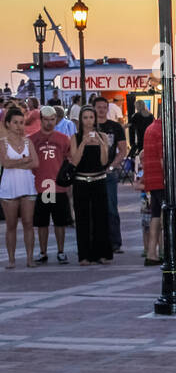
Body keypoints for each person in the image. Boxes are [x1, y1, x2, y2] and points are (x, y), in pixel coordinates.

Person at [67, 107, 113, 265]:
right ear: (81, 119)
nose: (88, 121)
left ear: (95, 119)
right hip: (81, 181)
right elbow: (74, 161)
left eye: (91, 117)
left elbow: (104, 161)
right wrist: (83, 143)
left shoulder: (103, 136)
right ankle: (84, 255)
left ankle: (102, 253)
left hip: (99, 180)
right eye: (85, 117)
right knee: (82, 218)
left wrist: (101, 143)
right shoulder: (75, 137)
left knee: (101, 218)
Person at [30, 107, 71, 264]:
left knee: (60, 222)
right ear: (41, 120)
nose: (49, 122)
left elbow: (70, 159)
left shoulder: (63, 138)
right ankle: (43, 252)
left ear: (56, 119)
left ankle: (61, 252)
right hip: (43, 185)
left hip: (58, 186)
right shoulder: (33, 139)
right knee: (42, 223)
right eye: (46, 119)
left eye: (52, 119)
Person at [1, 105, 38, 268]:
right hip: (9, 187)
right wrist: (24, 161)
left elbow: (35, 162)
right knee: (11, 225)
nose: (19, 126)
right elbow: (6, 163)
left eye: (22, 122)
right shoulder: (2, 142)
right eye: (15, 122)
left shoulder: (28, 141)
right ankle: (11, 259)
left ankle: (30, 258)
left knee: (28, 223)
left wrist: (20, 164)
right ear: (8, 123)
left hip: (27, 185)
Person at [93, 96, 128, 253]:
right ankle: (97, 242)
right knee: (93, 209)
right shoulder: (89, 126)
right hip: (91, 173)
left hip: (108, 173)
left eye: (103, 107)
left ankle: (115, 242)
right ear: (93, 108)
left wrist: (112, 167)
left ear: (107, 108)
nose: (101, 109)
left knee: (111, 208)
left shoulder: (115, 127)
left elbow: (122, 150)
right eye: (98, 107)